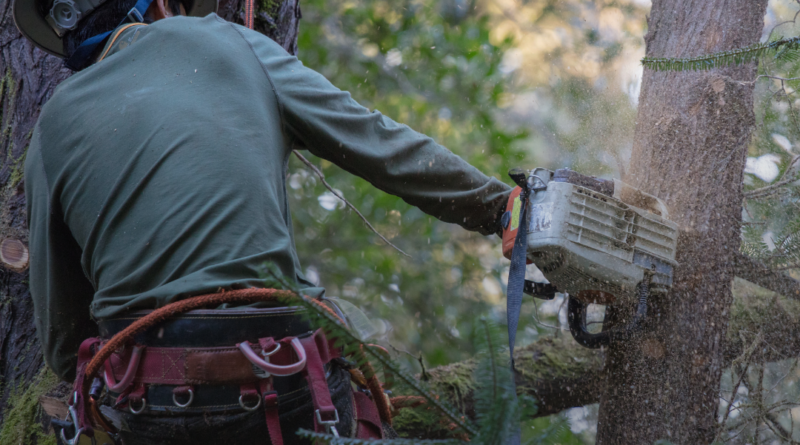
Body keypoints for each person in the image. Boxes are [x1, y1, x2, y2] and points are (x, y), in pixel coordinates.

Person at [15, 0, 511, 442]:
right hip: (287, 379)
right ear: (162, 4)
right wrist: (498, 206)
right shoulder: (229, 41)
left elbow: (64, 344)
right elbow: (377, 142)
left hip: (152, 400)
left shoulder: (48, 130)